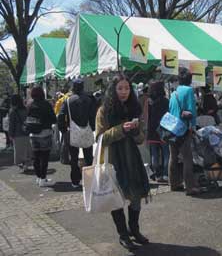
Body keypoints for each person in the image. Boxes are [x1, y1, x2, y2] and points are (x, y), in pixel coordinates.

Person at [96, 74, 150, 252]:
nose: (124, 92)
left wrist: (135, 132)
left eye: (127, 88)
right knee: (116, 199)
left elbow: (141, 138)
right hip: (113, 160)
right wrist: (121, 129)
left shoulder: (134, 108)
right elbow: (100, 138)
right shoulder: (104, 111)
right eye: (120, 88)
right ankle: (123, 234)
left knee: (136, 197)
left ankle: (134, 230)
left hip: (132, 159)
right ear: (113, 90)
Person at [168, 67, 202, 196]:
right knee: (187, 158)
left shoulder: (173, 93)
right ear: (190, 79)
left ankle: (174, 183)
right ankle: (190, 187)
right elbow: (192, 110)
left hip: (171, 128)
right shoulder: (189, 91)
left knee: (173, 157)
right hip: (183, 128)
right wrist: (192, 126)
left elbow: (171, 109)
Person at [58, 79, 96, 188]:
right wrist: (92, 127)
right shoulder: (89, 100)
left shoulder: (68, 100)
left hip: (72, 131)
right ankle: (89, 179)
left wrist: (64, 129)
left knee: (73, 158)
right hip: (87, 129)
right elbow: (94, 115)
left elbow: (61, 116)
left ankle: (75, 181)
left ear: (73, 87)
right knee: (89, 157)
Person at [26, 86, 56, 187]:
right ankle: (43, 179)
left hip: (33, 134)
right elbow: (53, 119)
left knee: (36, 157)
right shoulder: (46, 104)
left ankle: (38, 177)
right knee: (44, 157)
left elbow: (27, 119)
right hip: (45, 133)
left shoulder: (29, 105)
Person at [147, 80, 170, 182]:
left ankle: (157, 175)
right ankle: (166, 174)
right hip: (164, 129)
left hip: (152, 129)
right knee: (166, 153)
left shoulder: (149, 102)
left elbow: (147, 116)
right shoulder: (166, 101)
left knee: (154, 154)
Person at [8, 94, 32, 172]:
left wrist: (10, 134)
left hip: (17, 133)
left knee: (18, 150)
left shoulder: (12, 111)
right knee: (26, 149)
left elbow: (11, 124)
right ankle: (26, 164)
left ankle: (22, 164)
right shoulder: (25, 109)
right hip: (26, 132)